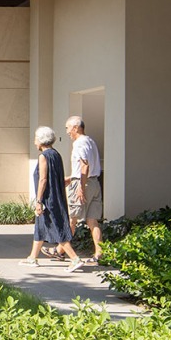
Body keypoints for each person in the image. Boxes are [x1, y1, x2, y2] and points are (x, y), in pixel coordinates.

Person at [21, 126, 83, 272]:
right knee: (41, 227)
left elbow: (43, 179)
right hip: (56, 196)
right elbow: (57, 177)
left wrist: (38, 201)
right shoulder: (56, 154)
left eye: (36, 138)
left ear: (41, 141)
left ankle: (75, 258)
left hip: (48, 198)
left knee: (56, 227)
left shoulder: (44, 156)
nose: (35, 142)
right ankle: (32, 258)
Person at [65, 115, 104, 264]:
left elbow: (84, 165)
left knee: (72, 219)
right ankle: (99, 254)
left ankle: (61, 250)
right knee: (92, 220)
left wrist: (80, 186)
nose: (67, 132)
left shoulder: (79, 143)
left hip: (84, 184)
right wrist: (71, 177)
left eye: (68, 128)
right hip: (94, 183)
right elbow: (88, 167)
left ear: (76, 128)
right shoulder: (90, 141)